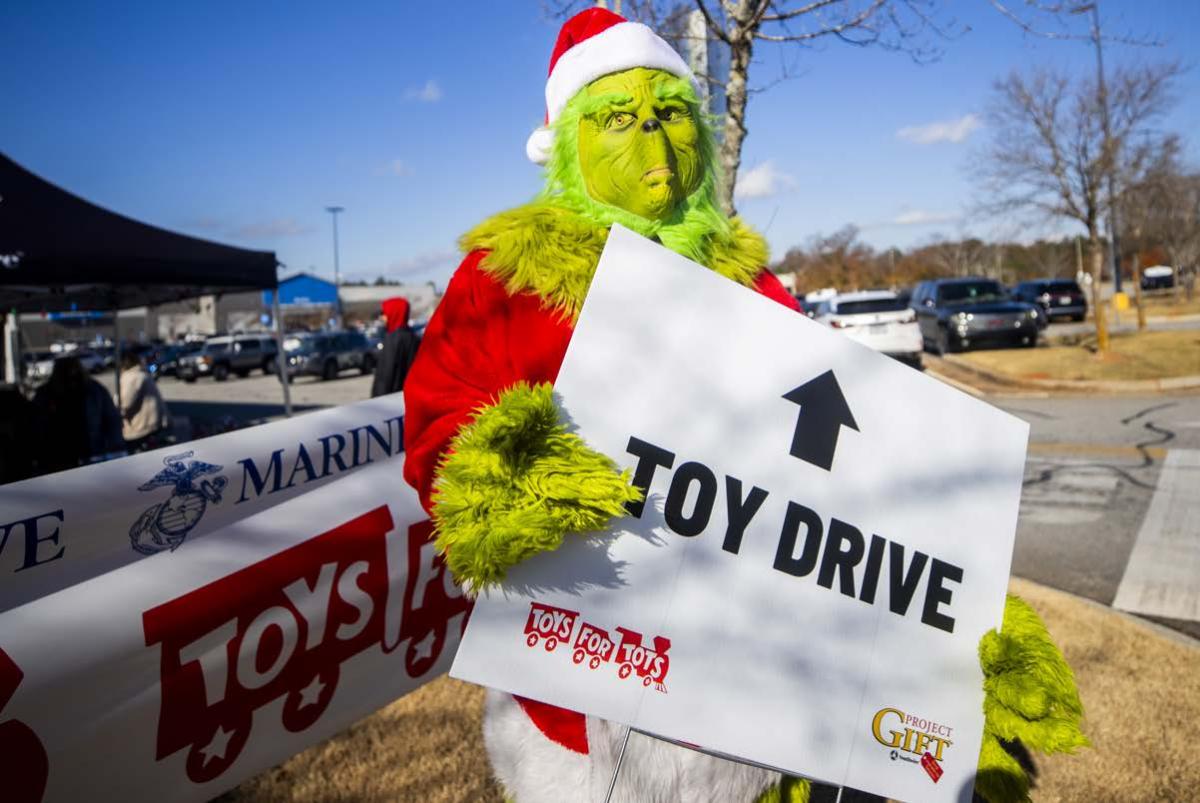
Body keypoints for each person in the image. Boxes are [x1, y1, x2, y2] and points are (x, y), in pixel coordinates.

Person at [401, 9, 1085, 803]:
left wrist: (964, 627)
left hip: (746, 704)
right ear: (570, 139)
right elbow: (438, 423)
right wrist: (498, 479)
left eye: (668, 116)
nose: (654, 146)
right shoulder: (506, 280)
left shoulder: (746, 282)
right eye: (619, 120)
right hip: (582, 702)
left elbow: (854, 467)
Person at [32, 355, 124, 473]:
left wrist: (115, 449)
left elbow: (112, 420)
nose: (71, 372)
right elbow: (37, 427)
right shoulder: (45, 394)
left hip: (90, 454)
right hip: (58, 458)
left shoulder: (94, 390)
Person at [118, 350, 169, 451]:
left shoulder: (131, 376)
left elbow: (125, 403)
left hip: (140, 428)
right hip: (153, 425)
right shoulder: (141, 373)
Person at [370, 296, 421, 398]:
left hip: (391, 399)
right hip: (410, 397)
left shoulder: (393, 339)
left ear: (394, 313)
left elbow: (386, 375)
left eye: (384, 314)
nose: (382, 318)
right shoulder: (414, 337)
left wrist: (376, 401)